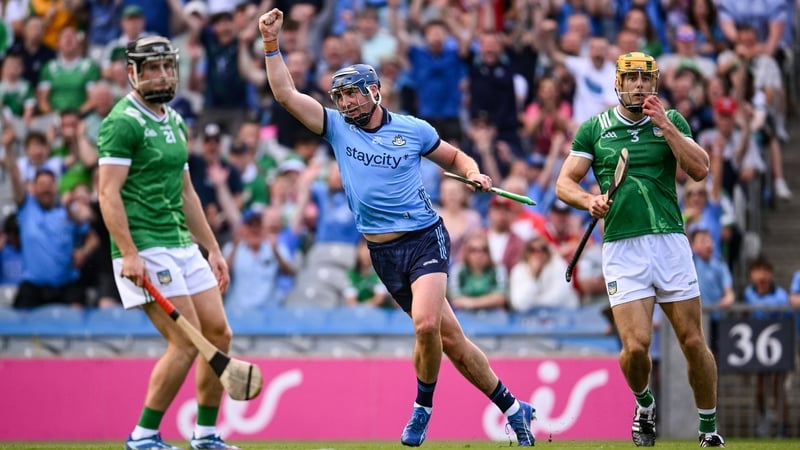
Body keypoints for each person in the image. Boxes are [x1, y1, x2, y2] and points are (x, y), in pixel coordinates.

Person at [258, 8, 536, 447]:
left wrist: (474, 172)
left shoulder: (413, 130)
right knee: (452, 340)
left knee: (425, 326)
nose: (345, 103)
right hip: (382, 253)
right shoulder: (336, 128)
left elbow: (454, 157)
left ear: (374, 91)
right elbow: (286, 94)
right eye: (339, 96)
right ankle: (515, 408)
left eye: (352, 94)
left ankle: (422, 408)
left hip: (425, 237)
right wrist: (271, 44)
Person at [555, 52, 724, 448]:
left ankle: (708, 429)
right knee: (635, 348)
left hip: (670, 243)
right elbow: (564, 184)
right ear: (618, 83)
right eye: (631, 78)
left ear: (654, 82)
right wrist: (589, 201)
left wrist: (665, 125)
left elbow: (700, 169)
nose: (638, 85)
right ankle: (644, 403)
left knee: (692, 341)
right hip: (622, 247)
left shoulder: (672, 119)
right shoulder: (595, 129)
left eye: (645, 78)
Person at [96, 36, 237, 450]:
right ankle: (143, 436)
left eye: (167, 67)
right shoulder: (122, 122)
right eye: (153, 68)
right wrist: (129, 253)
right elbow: (107, 193)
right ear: (133, 73)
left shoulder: (175, 120)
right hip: (145, 246)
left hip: (181, 243)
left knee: (218, 335)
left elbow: (187, 193)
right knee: (185, 342)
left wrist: (212, 249)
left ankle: (206, 435)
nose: (163, 75)